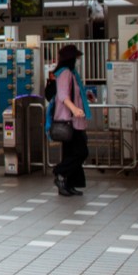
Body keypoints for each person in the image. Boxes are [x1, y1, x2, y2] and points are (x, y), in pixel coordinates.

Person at [47, 44, 90, 197]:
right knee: (81, 152)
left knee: (71, 152)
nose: (77, 61)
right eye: (76, 58)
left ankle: (67, 183)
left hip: (74, 120)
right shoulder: (65, 74)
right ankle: (59, 172)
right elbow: (63, 96)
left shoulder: (71, 73)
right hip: (69, 120)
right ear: (70, 59)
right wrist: (75, 110)